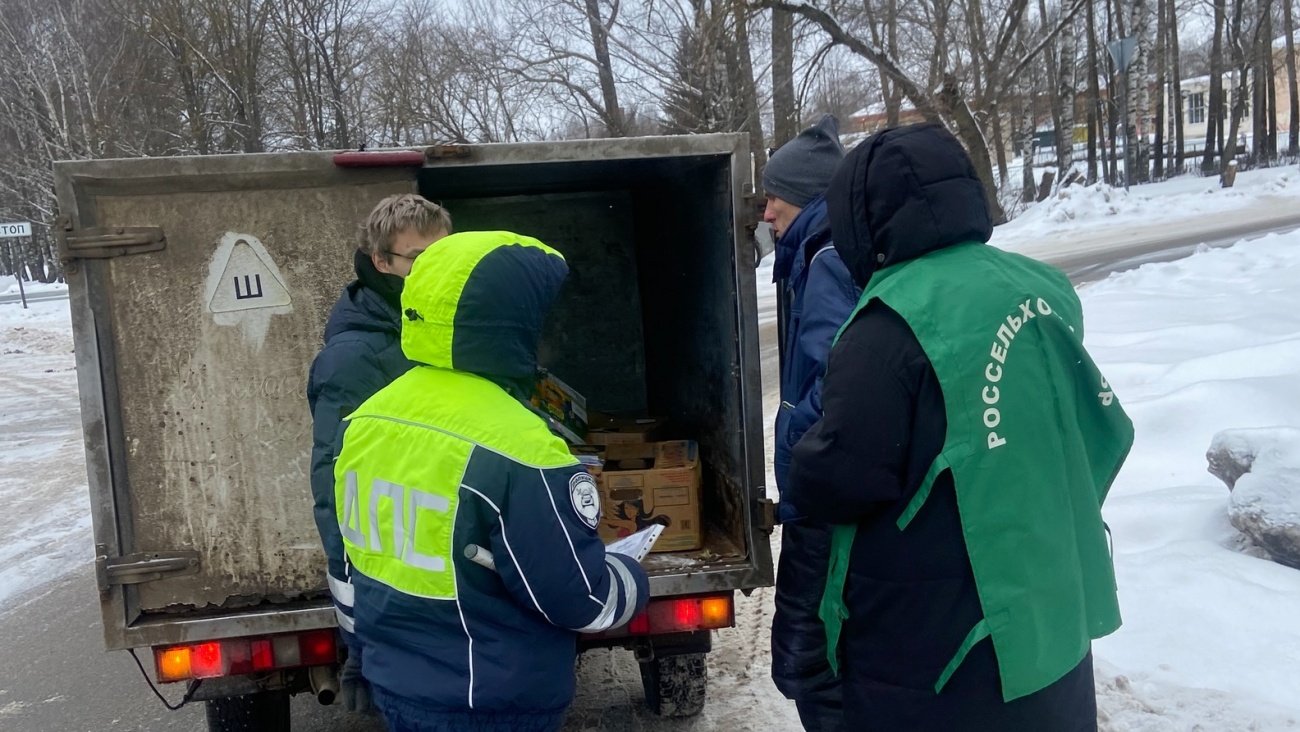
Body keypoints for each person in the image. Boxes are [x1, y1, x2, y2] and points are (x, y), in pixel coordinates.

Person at [786, 123, 1135, 731]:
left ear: (862, 221)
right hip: (1048, 617)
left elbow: (839, 479)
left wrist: (804, 460)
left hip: (939, 652)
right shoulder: (1040, 287)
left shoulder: (887, 326)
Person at [333, 231, 650, 732]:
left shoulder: (367, 420)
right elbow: (581, 601)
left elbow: (354, 561)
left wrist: (361, 652)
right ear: (511, 324)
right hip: (490, 704)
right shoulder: (520, 446)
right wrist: (628, 576)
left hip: (397, 687)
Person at [306, 194, 451, 712]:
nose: (435, 268)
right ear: (382, 264)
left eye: (443, 253)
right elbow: (334, 486)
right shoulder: (355, 358)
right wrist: (360, 640)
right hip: (403, 585)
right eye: (418, 258)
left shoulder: (445, 324)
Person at [764, 114, 858, 732]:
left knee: (809, 656)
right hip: (820, 492)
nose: (766, 212)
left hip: (819, 499)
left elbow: (838, 378)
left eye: (774, 197)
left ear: (806, 196)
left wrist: (803, 459)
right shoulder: (821, 250)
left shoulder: (827, 258)